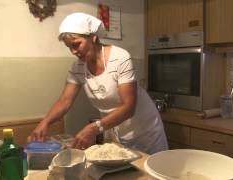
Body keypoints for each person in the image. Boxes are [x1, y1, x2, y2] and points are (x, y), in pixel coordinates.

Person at [27, 12, 168, 154]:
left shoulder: (120, 58)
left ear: (93, 37)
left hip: (144, 130)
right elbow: (64, 101)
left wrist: (94, 128)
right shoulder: (78, 67)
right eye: (69, 47)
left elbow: (129, 107)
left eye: (76, 44)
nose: (73, 51)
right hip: (113, 129)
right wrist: (44, 123)